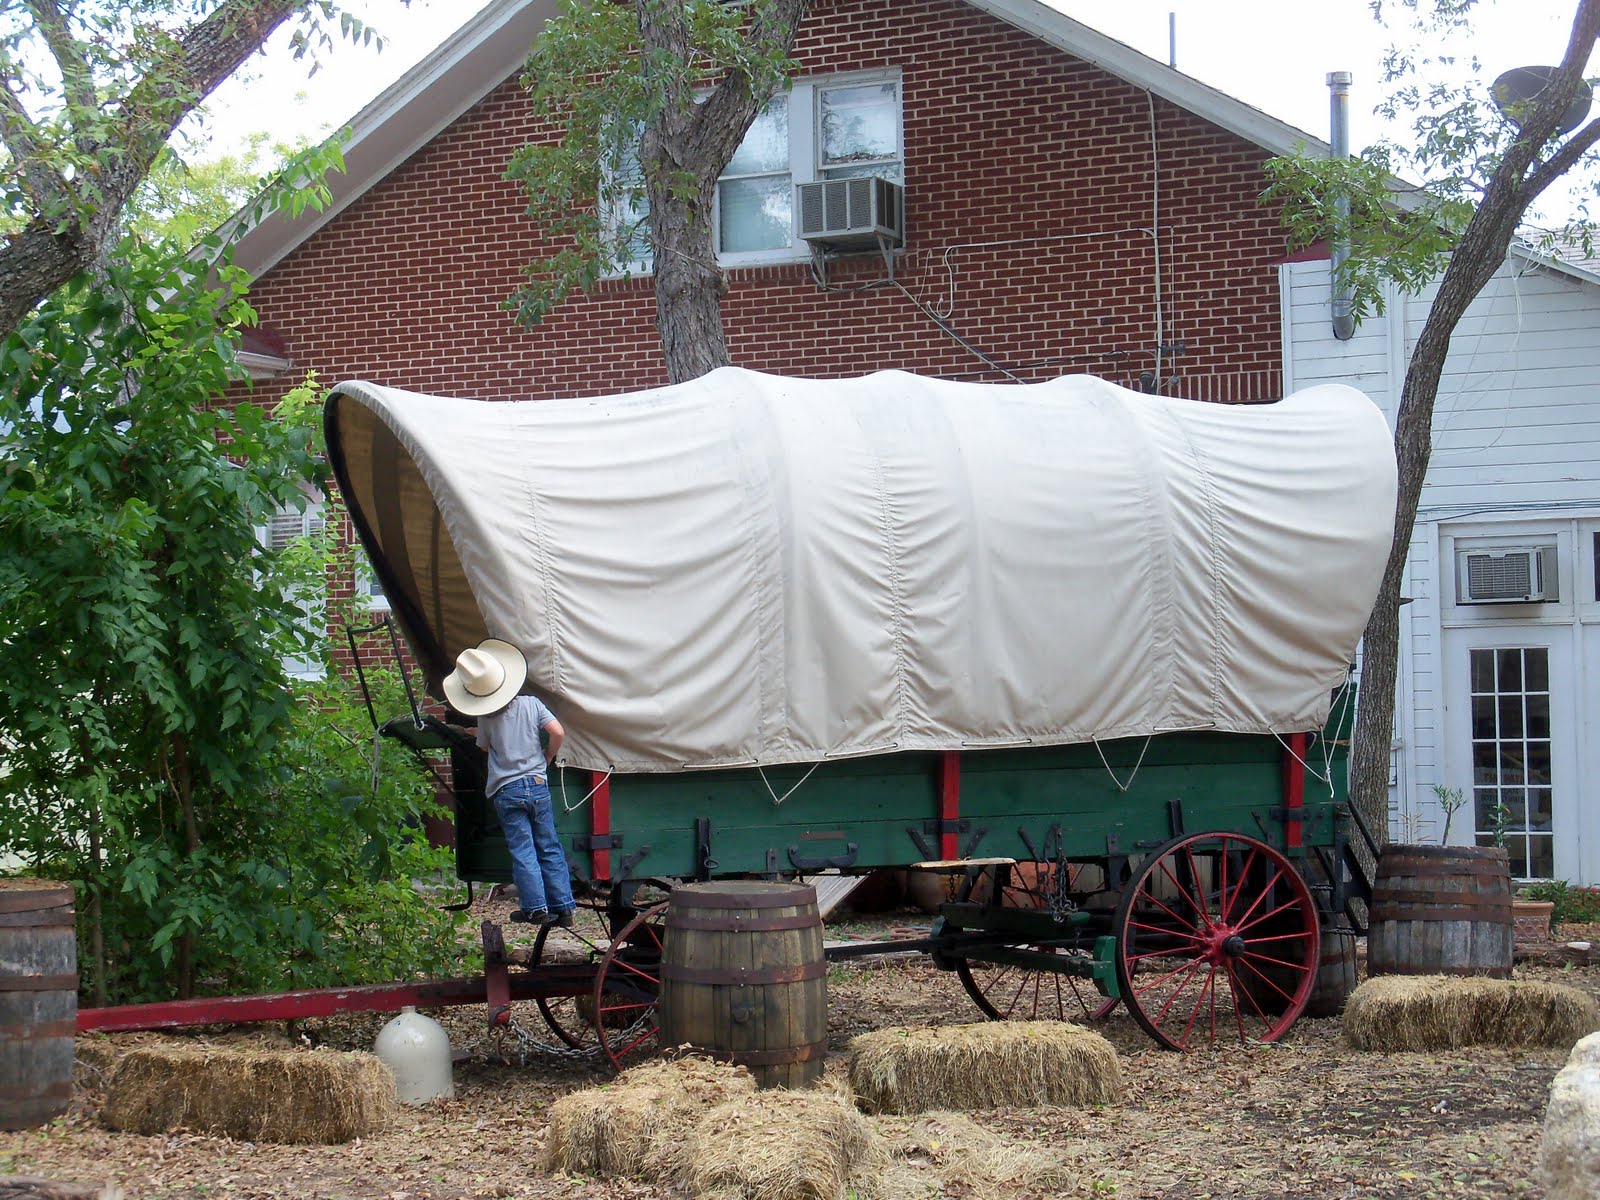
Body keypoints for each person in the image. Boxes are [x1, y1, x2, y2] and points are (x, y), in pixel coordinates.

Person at [443, 638, 575, 927]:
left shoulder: (487, 719)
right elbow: (558, 732)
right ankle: (564, 908)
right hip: (537, 784)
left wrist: (473, 732)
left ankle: (537, 909)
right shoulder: (531, 704)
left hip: (508, 790)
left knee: (523, 849)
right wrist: (547, 756)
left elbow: (485, 747)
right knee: (549, 847)